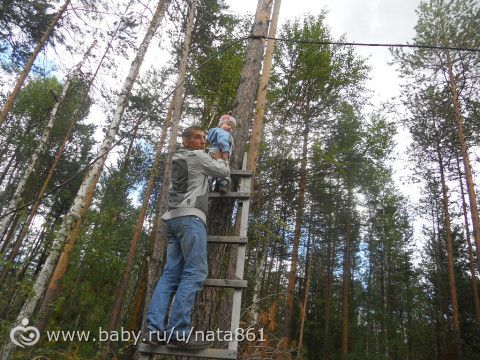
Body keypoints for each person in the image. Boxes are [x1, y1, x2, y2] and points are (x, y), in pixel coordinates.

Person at [145, 126, 229, 350]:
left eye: (204, 138)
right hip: (190, 219)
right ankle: (178, 334)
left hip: (172, 219)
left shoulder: (178, 158)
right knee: (195, 272)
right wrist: (221, 155)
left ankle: (154, 332)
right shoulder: (198, 157)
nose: (202, 142)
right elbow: (221, 171)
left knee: (170, 275)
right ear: (186, 141)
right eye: (198, 138)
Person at [206, 114, 236, 193]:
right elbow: (222, 141)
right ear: (220, 124)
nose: (230, 127)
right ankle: (223, 184)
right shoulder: (223, 132)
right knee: (224, 168)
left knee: (211, 168)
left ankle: (207, 184)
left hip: (212, 151)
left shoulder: (217, 132)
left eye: (232, 127)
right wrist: (225, 152)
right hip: (220, 152)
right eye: (228, 124)